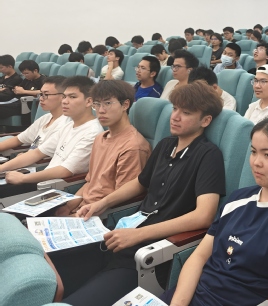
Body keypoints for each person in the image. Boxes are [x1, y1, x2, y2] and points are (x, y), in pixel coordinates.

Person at [56, 82, 226, 305]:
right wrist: (101, 203)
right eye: (175, 109)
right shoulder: (166, 145)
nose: (175, 117)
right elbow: (139, 183)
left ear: (205, 121)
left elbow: (204, 215)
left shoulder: (208, 155)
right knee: (55, 268)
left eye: (186, 113)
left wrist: (138, 235)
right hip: (122, 235)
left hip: (149, 251)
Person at [163, 115, 268, 306]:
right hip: (189, 297)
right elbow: (199, 256)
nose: (256, 162)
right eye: (254, 152)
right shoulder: (237, 199)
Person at [54, 80, 151, 216]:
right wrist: (68, 206)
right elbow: (90, 182)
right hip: (82, 209)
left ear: (125, 105)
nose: (101, 110)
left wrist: (78, 214)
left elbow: (123, 196)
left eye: (108, 103)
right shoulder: (100, 138)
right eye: (97, 104)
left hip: (99, 214)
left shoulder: (133, 146)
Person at [0, 76, 103, 197]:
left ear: (89, 101)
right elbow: (37, 153)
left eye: (72, 97)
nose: (64, 101)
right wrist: (2, 168)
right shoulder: (69, 126)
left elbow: (65, 170)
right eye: (64, 96)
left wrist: (23, 178)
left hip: (58, 188)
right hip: (44, 180)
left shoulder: (92, 132)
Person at [0, 75, 68, 165]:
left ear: (63, 97)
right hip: (24, 163)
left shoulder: (67, 124)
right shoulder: (45, 118)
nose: (40, 99)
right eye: (41, 94)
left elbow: (41, 155)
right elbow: (18, 139)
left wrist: (24, 157)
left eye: (46, 95)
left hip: (39, 167)